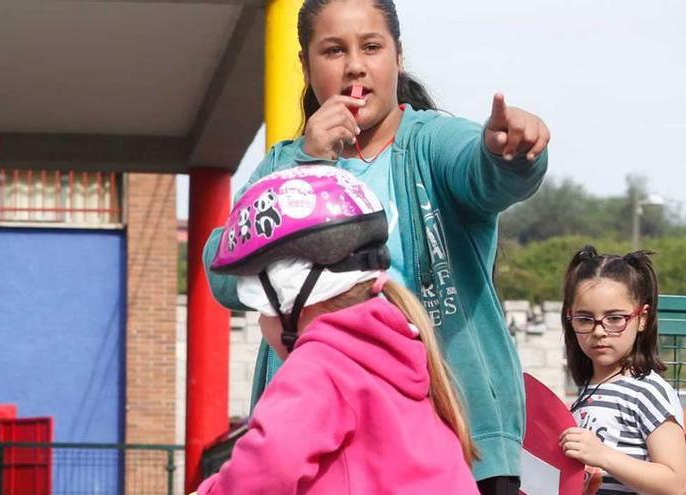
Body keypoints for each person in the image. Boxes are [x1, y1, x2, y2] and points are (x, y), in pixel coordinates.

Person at [202, 0, 550, 492]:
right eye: (333, 50)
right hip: (324, 453)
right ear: (305, 65)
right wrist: (306, 162)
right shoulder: (284, 164)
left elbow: (485, 175)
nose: (355, 66)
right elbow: (223, 271)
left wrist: (510, 155)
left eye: (371, 47)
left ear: (398, 56)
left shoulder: (433, 143)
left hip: (459, 446)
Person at [198, 165, 478, 494]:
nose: (261, 324)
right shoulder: (399, 356)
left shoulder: (321, 366)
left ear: (289, 302)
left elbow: (263, 468)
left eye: (261, 310)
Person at [558, 246, 686, 495]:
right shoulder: (587, 390)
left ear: (642, 318)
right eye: (585, 319)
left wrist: (602, 456)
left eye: (615, 318)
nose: (599, 331)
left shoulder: (647, 391)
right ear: (569, 318)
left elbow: (675, 483)